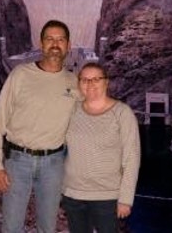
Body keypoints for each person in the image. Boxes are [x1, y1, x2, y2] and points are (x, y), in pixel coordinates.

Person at [0, 20, 79, 233]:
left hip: (54, 164)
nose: (55, 44)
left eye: (60, 40)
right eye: (49, 39)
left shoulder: (74, 83)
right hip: (18, 162)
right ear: (41, 43)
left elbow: (84, 127)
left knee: (47, 227)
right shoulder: (20, 75)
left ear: (68, 45)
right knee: (11, 227)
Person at [62, 62, 141, 233]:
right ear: (78, 83)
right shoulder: (72, 109)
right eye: (84, 80)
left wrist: (126, 199)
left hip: (106, 197)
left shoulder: (122, 113)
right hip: (73, 195)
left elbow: (132, 158)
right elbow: (60, 94)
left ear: (107, 82)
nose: (90, 84)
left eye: (96, 79)